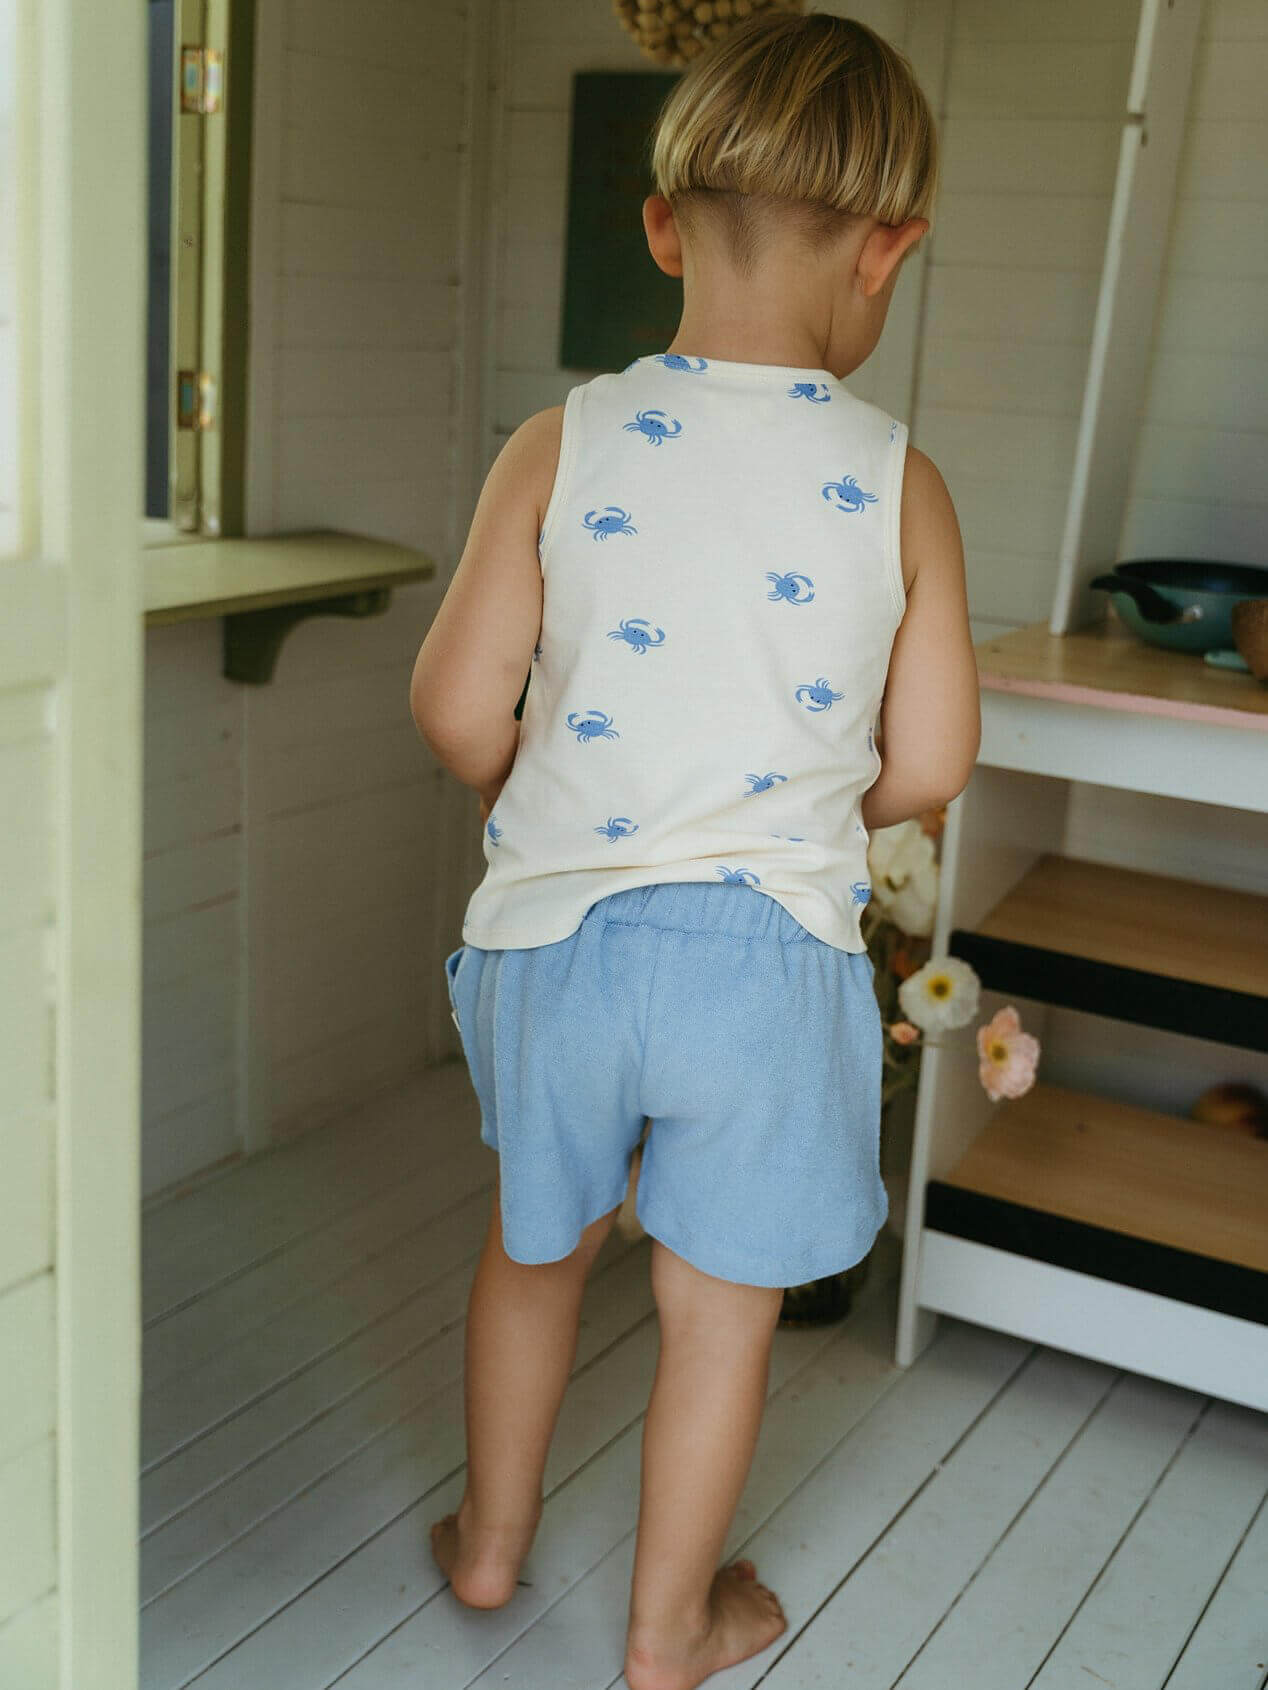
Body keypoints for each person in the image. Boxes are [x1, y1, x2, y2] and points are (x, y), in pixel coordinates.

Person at [409, 11, 979, 1687]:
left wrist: (583, 797)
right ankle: (672, 1633)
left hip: (559, 943)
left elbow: (453, 709)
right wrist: (795, 809)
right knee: (715, 1311)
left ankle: (493, 1547)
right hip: (764, 961)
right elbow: (932, 760)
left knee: (534, 1258)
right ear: (892, 252)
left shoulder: (559, 440)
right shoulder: (900, 482)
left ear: (660, 228)